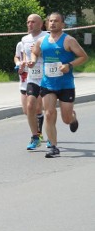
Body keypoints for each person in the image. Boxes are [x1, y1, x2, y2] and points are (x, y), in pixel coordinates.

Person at [29, 12, 88, 158]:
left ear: (62, 24)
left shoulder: (69, 40)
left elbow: (83, 56)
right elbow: (35, 53)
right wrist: (33, 60)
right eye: (50, 21)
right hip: (48, 83)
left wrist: (69, 65)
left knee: (65, 119)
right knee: (49, 114)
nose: (53, 23)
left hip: (66, 84)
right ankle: (53, 147)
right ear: (47, 23)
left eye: (56, 21)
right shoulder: (42, 41)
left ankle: (72, 117)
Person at [15, 14, 48, 150]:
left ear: (40, 24)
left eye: (33, 22)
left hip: (47, 77)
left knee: (49, 109)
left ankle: (51, 137)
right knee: (29, 107)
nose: (30, 24)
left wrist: (41, 52)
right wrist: (22, 65)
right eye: (28, 22)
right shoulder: (24, 39)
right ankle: (35, 137)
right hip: (32, 77)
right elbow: (21, 56)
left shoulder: (48, 36)